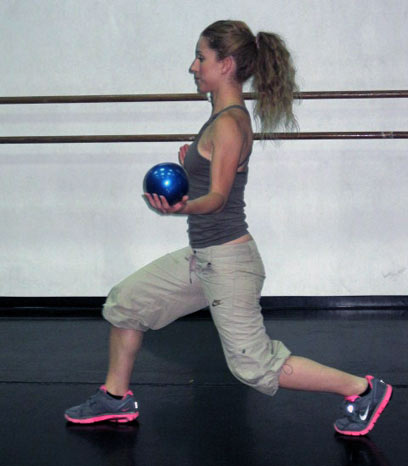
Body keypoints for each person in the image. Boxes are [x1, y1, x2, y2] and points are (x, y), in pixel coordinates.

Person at [65, 20, 392, 436]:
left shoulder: (228, 123)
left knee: (254, 367)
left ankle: (363, 390)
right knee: (127, 302)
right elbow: (218, 181)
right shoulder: (220, 119)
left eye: (201, 57)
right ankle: (115, 399)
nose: (193, 66)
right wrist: (191, 167)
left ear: (226, 65)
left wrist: (180, 206)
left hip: (229, 262)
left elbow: (218, 198)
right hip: (205, 256)